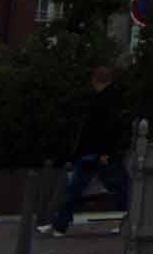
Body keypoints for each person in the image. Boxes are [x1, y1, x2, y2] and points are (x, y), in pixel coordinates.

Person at [47, 65, 131, 237]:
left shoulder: (100, 100)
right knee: (121, 189)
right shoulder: (114, 99)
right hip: (102, 153)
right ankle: (132, 221)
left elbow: (100, 128)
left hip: (94, 153)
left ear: (94, 80)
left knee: (75, 189)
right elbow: (114, 128)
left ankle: (59, 226)